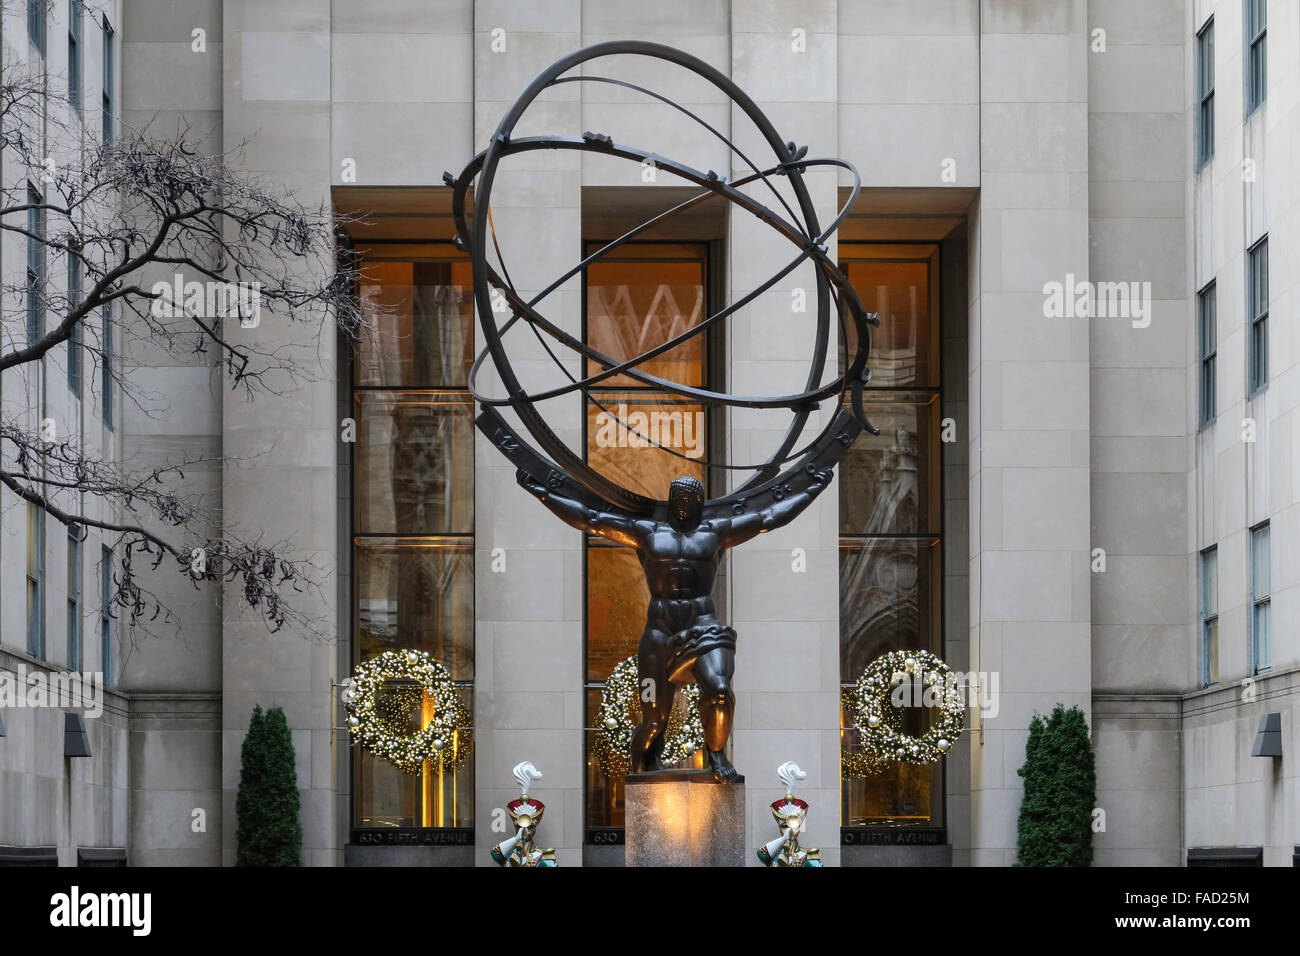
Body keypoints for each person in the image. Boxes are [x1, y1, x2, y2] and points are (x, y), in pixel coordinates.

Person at [517, 470, 826, 782]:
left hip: (703, 627)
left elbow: (769, 517)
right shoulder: (647, 531)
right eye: (676, 497)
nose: (681, 504)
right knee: (653, 721)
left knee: (719, 691)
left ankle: (717, 755)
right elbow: (591, 519)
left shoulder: (716, 532)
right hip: (660, 633)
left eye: (688, 499)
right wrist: (542, 491)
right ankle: (642, 773)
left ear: (700, 503)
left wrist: (814, 487)